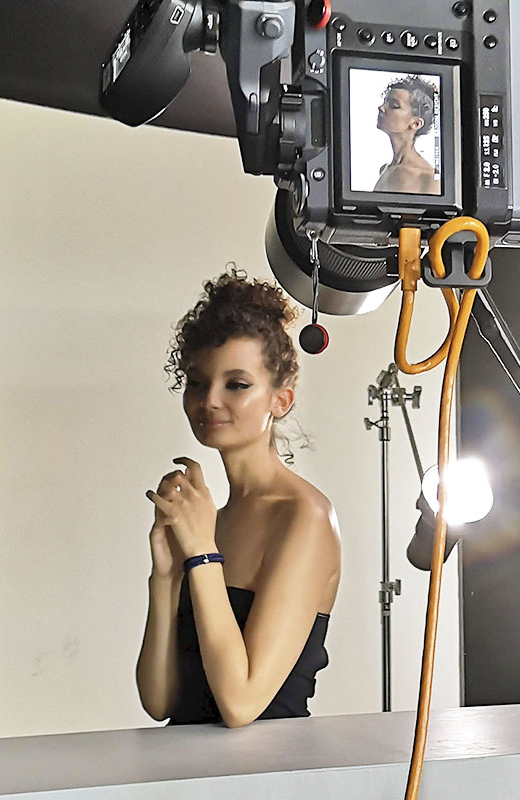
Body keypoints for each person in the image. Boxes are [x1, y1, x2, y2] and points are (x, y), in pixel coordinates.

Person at [135, 268, 341, 727]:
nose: (209, 399)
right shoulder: (211, 519)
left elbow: (241, 705)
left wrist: (203, 554)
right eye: (197, 381)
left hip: (264, 779)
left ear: (280, 400)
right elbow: (159, 701)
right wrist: (167, 573)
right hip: (186, 776)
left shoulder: (304, 517)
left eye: (237, 384)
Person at [372, 75, 442, 195]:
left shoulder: (429, 179)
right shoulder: (385, 169)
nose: (381, 108)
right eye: (385, 102)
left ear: (416, 123)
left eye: (394, 105)